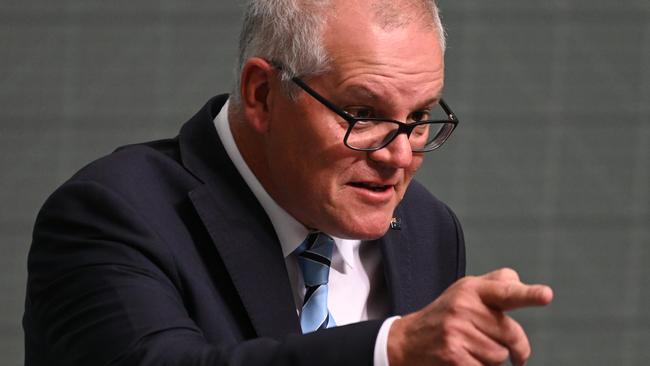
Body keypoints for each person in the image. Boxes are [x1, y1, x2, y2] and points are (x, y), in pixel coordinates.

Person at [24, 0, 553, 365]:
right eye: (363, 113)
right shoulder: (111, 212)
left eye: (418, 117)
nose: (399, 156)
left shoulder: (427, 227)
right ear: (262, 95)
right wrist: (388, 349)